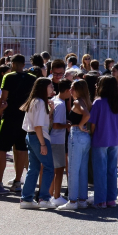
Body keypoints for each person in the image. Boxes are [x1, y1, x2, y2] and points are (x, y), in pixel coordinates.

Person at [0, 54, 35, 193]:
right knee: (22, 149)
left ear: (12, 64)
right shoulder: (32, 78)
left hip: (9, 118)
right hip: (25, 119)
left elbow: (3, 99)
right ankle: (18, 181)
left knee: (1, 149)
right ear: (23, 64)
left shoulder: (8, 77)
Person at [88, 76, 118, 209]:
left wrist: (91, 134)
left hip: (99, 139)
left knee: (100, 170)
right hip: (113, 139)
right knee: (111, 170)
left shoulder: (98, 102)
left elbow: (92, 123)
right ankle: (111, 199)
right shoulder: (117, 102)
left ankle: (100, 200)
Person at [19, 78, 56, 209]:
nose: (52, 88)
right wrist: (43, 144)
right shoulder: (40, 102)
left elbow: (39, 123)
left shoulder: (35, 101)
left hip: (31, 136)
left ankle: (26, 199)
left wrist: (51, 110)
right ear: (43, 88)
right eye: (50, 86)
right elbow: (39, 126)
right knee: (49, 167)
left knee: (33, 168)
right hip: (39, 138)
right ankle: (44, 198)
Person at [59, 79, 92, 210]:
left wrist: (79, 124)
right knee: (82, 170)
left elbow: (87, 115)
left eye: (72, 88)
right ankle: (82, 200)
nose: (70, 90)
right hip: (85, 136)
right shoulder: (87, 101)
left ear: (78, 90)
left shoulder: (78, 102)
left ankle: (72, 201)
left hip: (77, 135)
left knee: (73, 170)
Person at [48, 79, 71, 207]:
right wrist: (67, 124)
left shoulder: (56, 100)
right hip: (58, 140)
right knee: (59, 169)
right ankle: (56, 196)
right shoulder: (61, 104)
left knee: (54, 168)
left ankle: (52, 195)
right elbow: (57, 125)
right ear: (67, 90)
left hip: (53, 139)